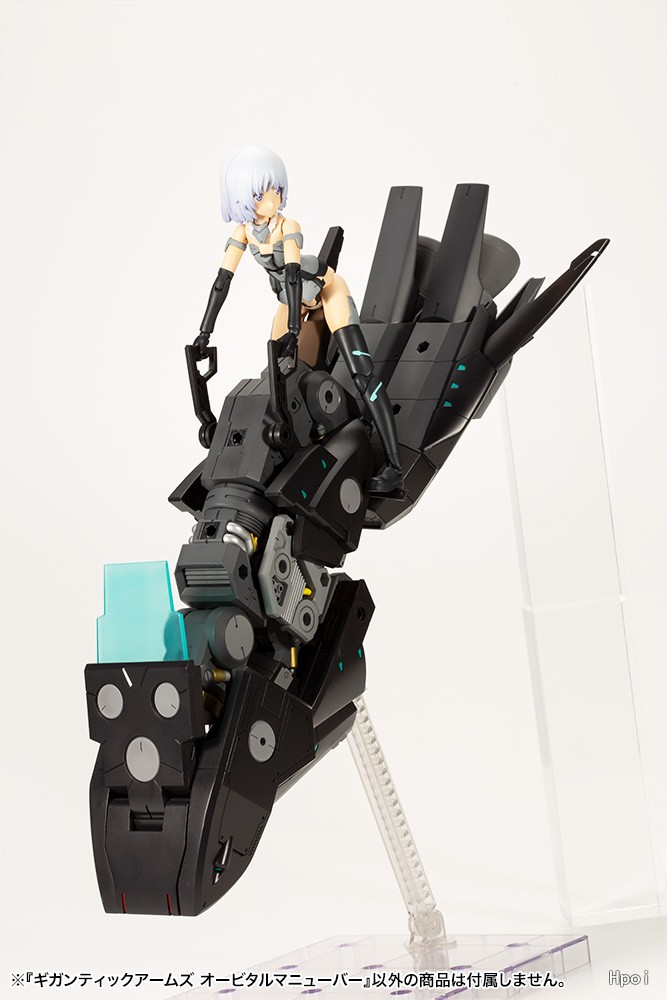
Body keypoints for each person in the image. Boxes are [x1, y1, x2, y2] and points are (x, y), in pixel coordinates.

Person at [192, 145, 403, 494]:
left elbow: (292, 275)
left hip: (325, 291)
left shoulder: (288, 225)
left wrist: (294, 330)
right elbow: (222, 281)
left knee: (364, 376)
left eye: (276, 189)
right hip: (290, 301)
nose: (272, 198)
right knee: (274, 377)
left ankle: (395, 467)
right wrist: (205, 332)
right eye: (261, 193)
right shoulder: (243, 233)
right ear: (242, 198)